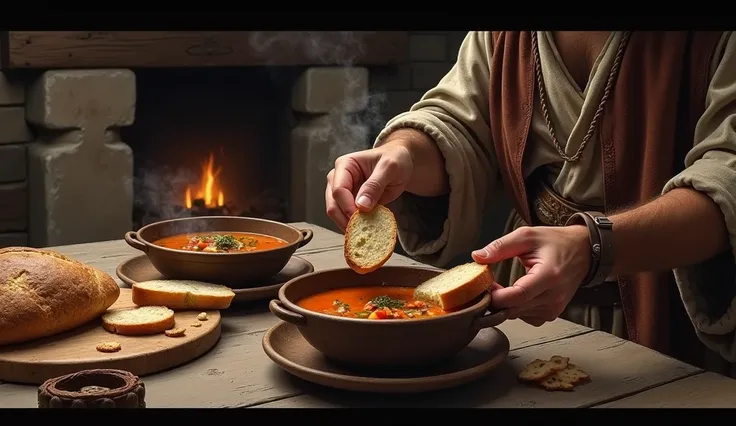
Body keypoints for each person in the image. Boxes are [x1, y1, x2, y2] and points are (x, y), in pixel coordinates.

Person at [324, 31, 736, 375]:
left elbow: (728, 174)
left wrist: (595, 247)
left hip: (669, 329)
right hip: (523, 313)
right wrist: (405, 154)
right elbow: (458, 121)